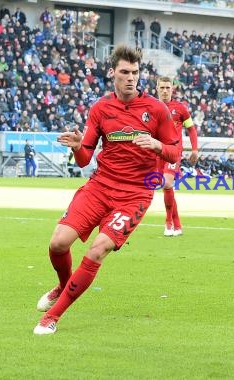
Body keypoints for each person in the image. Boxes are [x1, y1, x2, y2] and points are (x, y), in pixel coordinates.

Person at [33, 45, 181, 335]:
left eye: (135, 73)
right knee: (58, 243)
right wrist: (77, 147)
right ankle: (64, 286)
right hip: (100, 186)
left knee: (98, 249)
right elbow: (85, 157)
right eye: (125, 72)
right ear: (112, 73)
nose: (131, 78)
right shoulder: (101, 109)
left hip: (135, 194)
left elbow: (175, 153)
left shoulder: (156, 110)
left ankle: (52, 316)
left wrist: (158, 146)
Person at [155, 76, 199, 237]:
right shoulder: (151, 107)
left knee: (166, 184)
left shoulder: (180, 108)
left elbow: (192, 129)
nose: (165, 91)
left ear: (172, 88)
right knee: (167, 188)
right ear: (157, 89)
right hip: (157, 152)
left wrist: (195, 150)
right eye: (162, 88)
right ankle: (178, 225)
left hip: (173, 153)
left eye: (168, 87)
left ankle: (168, 223)